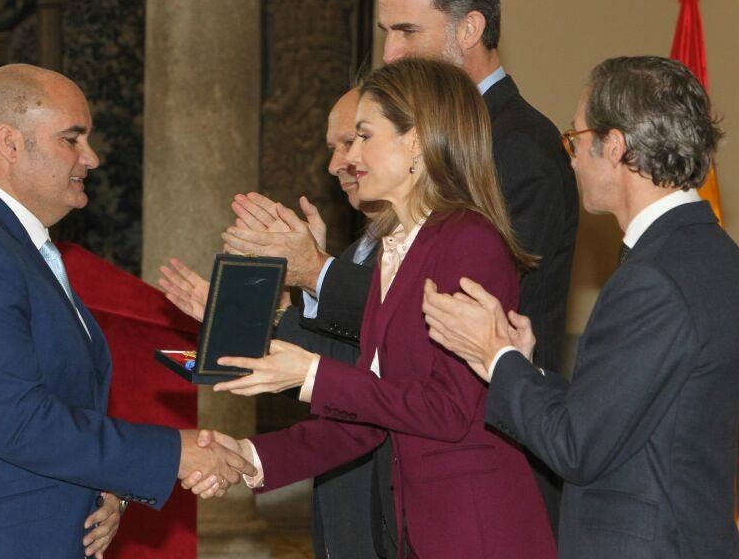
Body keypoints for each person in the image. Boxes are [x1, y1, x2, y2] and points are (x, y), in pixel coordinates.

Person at [0, 64, 255, 559]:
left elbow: (60, 400)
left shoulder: (10, 245)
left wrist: (105, 484)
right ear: (10, 144)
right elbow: (18, 421)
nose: (91, 158)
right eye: (72, 139)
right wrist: (174, 452)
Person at [196, 57, 556, 558]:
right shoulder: (396, 249)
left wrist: (314, 373)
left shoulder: (469, 240)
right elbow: (368, 420)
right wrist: (251, 456)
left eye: (364, 136)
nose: (349, 158)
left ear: (416, 141)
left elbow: (449, 410)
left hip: (478, 530)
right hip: (423, 530)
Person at [423, 56, 739, 558]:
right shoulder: (718, 255)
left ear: (615, 146)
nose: (572, 158)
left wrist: (496, 357)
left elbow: (576, 448)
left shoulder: (653, 277)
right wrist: (523, 365)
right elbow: (622, 417)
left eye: (575, 139)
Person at [374, 0, 578, 526]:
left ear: (469, 30)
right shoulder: (436, 137)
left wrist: (321, 276)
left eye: (407, 31)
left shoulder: (516, 147)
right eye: (387, 32)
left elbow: (456, 305)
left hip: (488, 469)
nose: (391, 54)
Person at [160, 87, 391, 558]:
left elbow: (383, 391)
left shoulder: (436, 242)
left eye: (353, 141)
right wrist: (245, 320)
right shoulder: (364, 248)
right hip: (347, 493)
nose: (336, 164)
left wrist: (316, 269)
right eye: (334, 147)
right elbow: (344, 379)